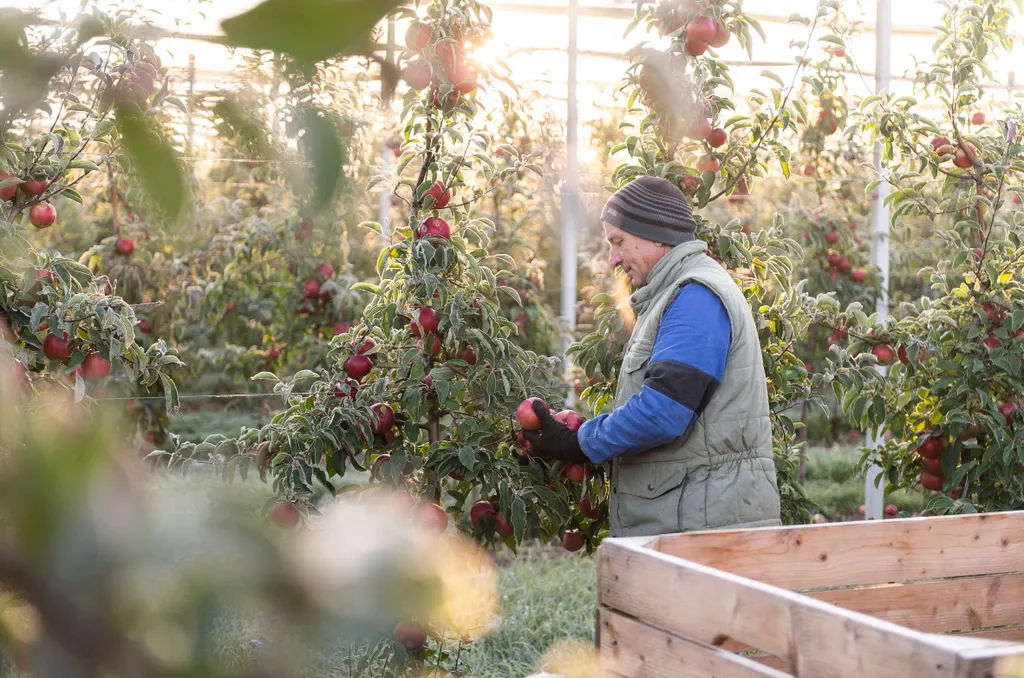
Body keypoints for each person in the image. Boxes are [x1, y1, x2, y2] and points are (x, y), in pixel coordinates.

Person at [523, 175, 781, 537]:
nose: (613, 258)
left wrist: (579, 443)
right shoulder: (676, 293)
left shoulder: (695, 296)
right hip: (692, 519)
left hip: (702, 529)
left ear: (656, 234)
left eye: (618, 241)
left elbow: (664, 412)